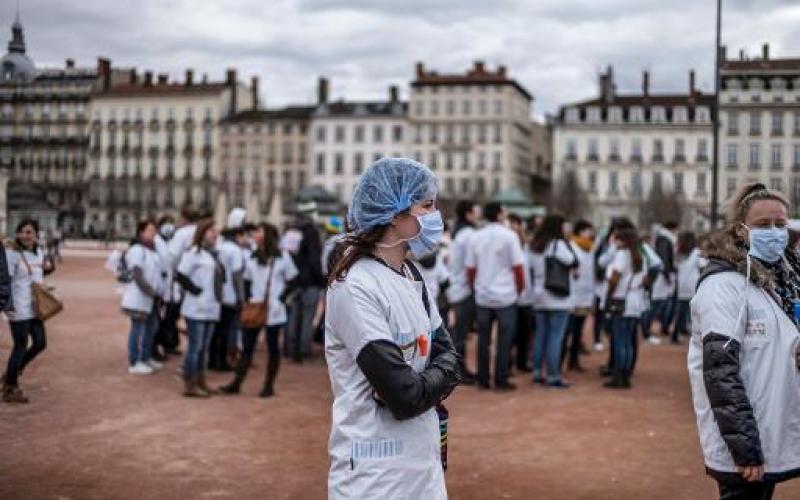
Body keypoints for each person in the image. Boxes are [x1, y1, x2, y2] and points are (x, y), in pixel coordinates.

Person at [325, 158, 460, 499]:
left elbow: (450, 356)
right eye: (426, 206)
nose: (435, 216)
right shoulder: (354, 286)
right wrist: (432, 379)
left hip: (422, 464)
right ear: (395, 215)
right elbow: (404, 396)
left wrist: (427, 378)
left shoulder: (411, 275)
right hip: (374, 473)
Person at [689, 183, 800, 500]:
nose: (775, 232)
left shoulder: (781, 279)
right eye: (763, 225)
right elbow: (720, 371)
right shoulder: (724, 285)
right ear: (741, 230)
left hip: (770, 430)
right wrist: (745, 448)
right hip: (745, 442)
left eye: (780, 224)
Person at [220, 223, 298, 397]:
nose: (255, 234)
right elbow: (247, 281)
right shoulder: (253, 257)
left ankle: (268, 385)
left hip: (274, 309)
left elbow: (293, 280)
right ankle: (237, 382)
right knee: (247, 347)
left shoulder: (282, 257)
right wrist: (248, 299)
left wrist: (281, 298)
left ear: (267, 235)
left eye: (258, 231)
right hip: (255, 307)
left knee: (272, 348)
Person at [466, 202, 525, 391]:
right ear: (500, 215)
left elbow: (471, 268)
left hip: (483, 295)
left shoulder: (476, 236)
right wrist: (519, 289)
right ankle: (501, 379)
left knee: (483, 339)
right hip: (506, 295)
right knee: (505, 340)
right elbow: (518, 268)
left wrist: (475, 287)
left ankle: (483, 379)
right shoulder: (510, 236)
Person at [2, 219, 55, 403]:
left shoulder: (39, 252)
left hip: (34, 307)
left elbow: (36, 275)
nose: (25, 236)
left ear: (35, 235)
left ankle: (11, 372)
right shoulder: (11, 254)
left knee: (40, 343)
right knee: (20, 345)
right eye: (22, 232)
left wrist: (49, 268)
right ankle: (10, 387)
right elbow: (5, 280)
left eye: (29, 232)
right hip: (17, 306)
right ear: (17, 233)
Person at [175, 219, 224, 398]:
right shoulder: (193, 252)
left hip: (212, 306)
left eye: (216, 232)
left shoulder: (214, 254)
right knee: (195, 346)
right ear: (202, 232)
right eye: (211, 231)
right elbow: (180, 275)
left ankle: (201, 381)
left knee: (205, 347)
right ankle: (190, 383)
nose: (215, 234)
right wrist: (195, 290)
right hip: (197, 307)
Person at [529, 214, 577, 388]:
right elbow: (572, 261)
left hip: (539, 294)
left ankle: (536, 371)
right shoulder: (558, 244)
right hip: (557, 296)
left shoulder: (535, 245)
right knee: (555, 336)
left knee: (541, 334)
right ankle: (553, 375)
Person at [603, 228, 649, 389]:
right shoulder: (640, 256)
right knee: (628, 340)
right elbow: (645, 279)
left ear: (622, 241)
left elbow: (615, 277)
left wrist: (608, 296)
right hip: (635, 301)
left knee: (620, 340)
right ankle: (626, 374)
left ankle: (619, 377)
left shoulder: (622, 255)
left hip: (621, 300)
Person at [284, 201, 325, 363]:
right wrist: (320, 280)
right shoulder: (311, 231)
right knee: (307, 317)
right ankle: (303, 350)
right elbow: (314, 259)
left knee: (293, 315)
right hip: (309, 281)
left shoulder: (289, 230)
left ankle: (289, 347)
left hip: (292, 281)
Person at [445, 200, 481, 384]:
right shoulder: (468, 234)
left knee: (459, 332)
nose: (478, 213)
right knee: (459, 333)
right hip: (463, 288)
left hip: (458, 286)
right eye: (476, 210)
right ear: (468, 213)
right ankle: (458, 372)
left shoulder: (460, 232)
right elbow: (471, 264)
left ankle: (459, 370)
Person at [122, 219, 163, 375]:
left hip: (151, 297)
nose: (153, 234)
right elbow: (137, 274)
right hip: (140, 296)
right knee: (138, 329)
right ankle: (135, 361)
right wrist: (150, 290)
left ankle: (146, 357)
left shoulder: (153, 251)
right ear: (141, 232)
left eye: (154, 231)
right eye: (150, 230)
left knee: (152, 328)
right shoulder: (137, 250)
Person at [210, 209, 247, 371]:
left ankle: (213, 358)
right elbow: (237, 277)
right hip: (231, 297)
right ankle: (224, 360)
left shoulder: (221, 247)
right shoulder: (235, 251)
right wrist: (241, 298)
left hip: (219, 295)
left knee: (218, 330)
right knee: (229, 331)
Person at [564, 220, 596, 372]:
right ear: (579, 231)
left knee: (578, 330)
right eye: (587, 230)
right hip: (572, 293)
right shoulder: (571, 245)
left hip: (586, 293)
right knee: (567, 329)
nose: (590, 233)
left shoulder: (590, 248)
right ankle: (560, 359)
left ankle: (574, 360)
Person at [510, 213, 535, 373]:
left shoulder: (527, 248)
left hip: (526, 297)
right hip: (511, 296)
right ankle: (508, 363)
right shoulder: (507, 246)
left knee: (525, 332)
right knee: (511, 333)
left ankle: (522, 361)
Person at [153, 216, 182, 357]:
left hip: (173, 286)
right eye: (166, 224)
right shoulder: (157, 241)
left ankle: (170, 343)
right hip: (162, 286)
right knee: (160, 319)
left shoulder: (173, 240)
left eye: (171, 223)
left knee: (172, 317)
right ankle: (158, 346)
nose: (169, 227)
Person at [648, 221, 679, 343]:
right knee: (659, 303)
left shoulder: (665, 239)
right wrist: (667, 274)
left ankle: (661, 326)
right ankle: (650, 327)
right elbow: (665, 258)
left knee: (663, 303)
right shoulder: (665, 240)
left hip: (666, 274)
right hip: (663, 276)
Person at [671, 231, 704, 344]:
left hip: (681, 286)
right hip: (693, 285)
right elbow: (702, 265)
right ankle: (695, 336)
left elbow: (675, 266)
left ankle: (674, 335)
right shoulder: (696, 252)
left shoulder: (678, 253)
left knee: (680, 312)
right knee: (694, 312)